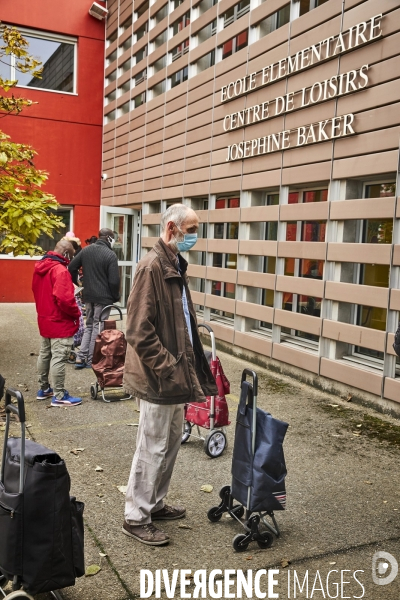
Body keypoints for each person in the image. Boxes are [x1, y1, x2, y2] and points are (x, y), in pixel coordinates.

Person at [122, 203, 218, 546]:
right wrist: (167, 366)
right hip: (159, 377)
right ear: (170, 230)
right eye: (190, 229)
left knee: (170, 445)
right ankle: (136, 517)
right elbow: (137, 330)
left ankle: (155, 503)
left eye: (196, 229)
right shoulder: (151, 268)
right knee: (152, 448)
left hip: (176, 375)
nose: (195, 235)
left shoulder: (174, 263)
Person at [32, 240, 82, 407]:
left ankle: (43, 388)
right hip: (60, 321)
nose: (71, 260)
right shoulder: (60, 271)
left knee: (45, 354)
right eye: (71, 256)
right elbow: (65, 299)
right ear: (66, 254)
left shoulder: (40, 267)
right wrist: (76, 313)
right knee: (59, 357)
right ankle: (59, 395)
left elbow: (35, 291)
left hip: (45, 318)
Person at [68, 228, 120, 369]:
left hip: (89, 295)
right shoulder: (110, 255)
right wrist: (116, 296)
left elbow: (71, 267)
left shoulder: (86, 250)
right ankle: (92, 359)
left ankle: (80, 358)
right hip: (104, 298)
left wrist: (78, 285)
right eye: (113, 238)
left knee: (90, 325)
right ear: (109, 238)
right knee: (98, 326)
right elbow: (114, 281)